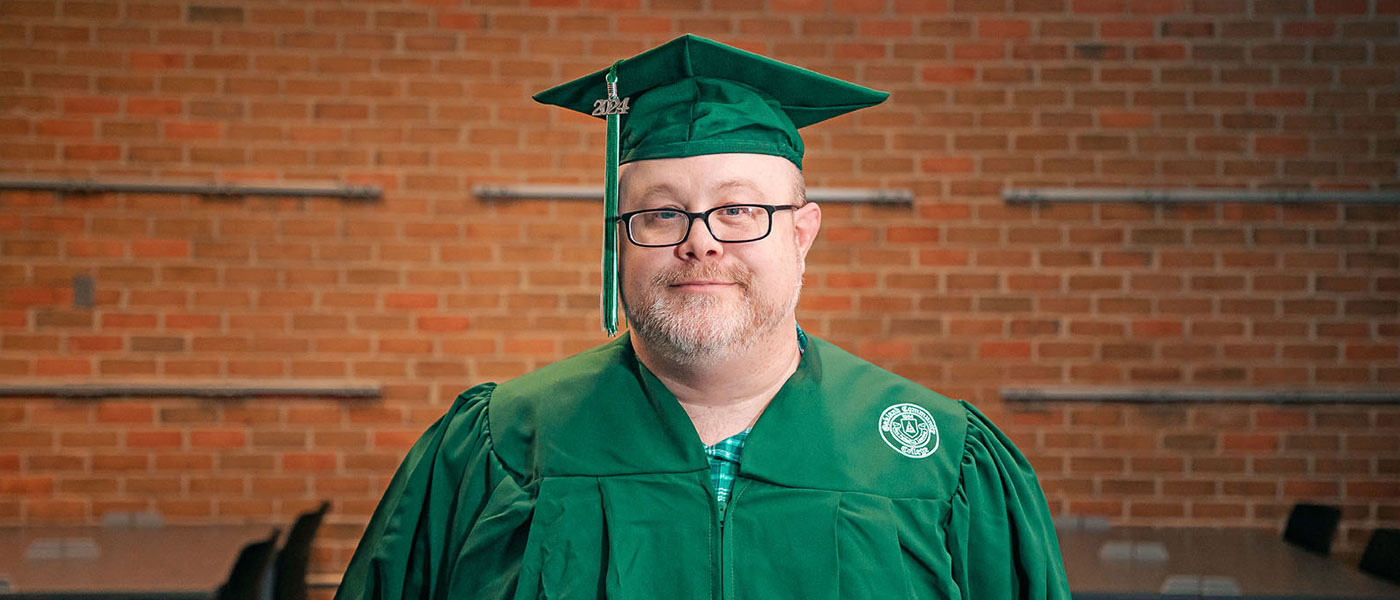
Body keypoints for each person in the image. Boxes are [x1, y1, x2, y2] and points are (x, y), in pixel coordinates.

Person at [336, 35, 1070, 600]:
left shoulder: (944, 460)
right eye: (661, 213)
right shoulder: (498, 447)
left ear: (803, 233)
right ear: (616, 238)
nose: (700, 240)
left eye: (741, 209)